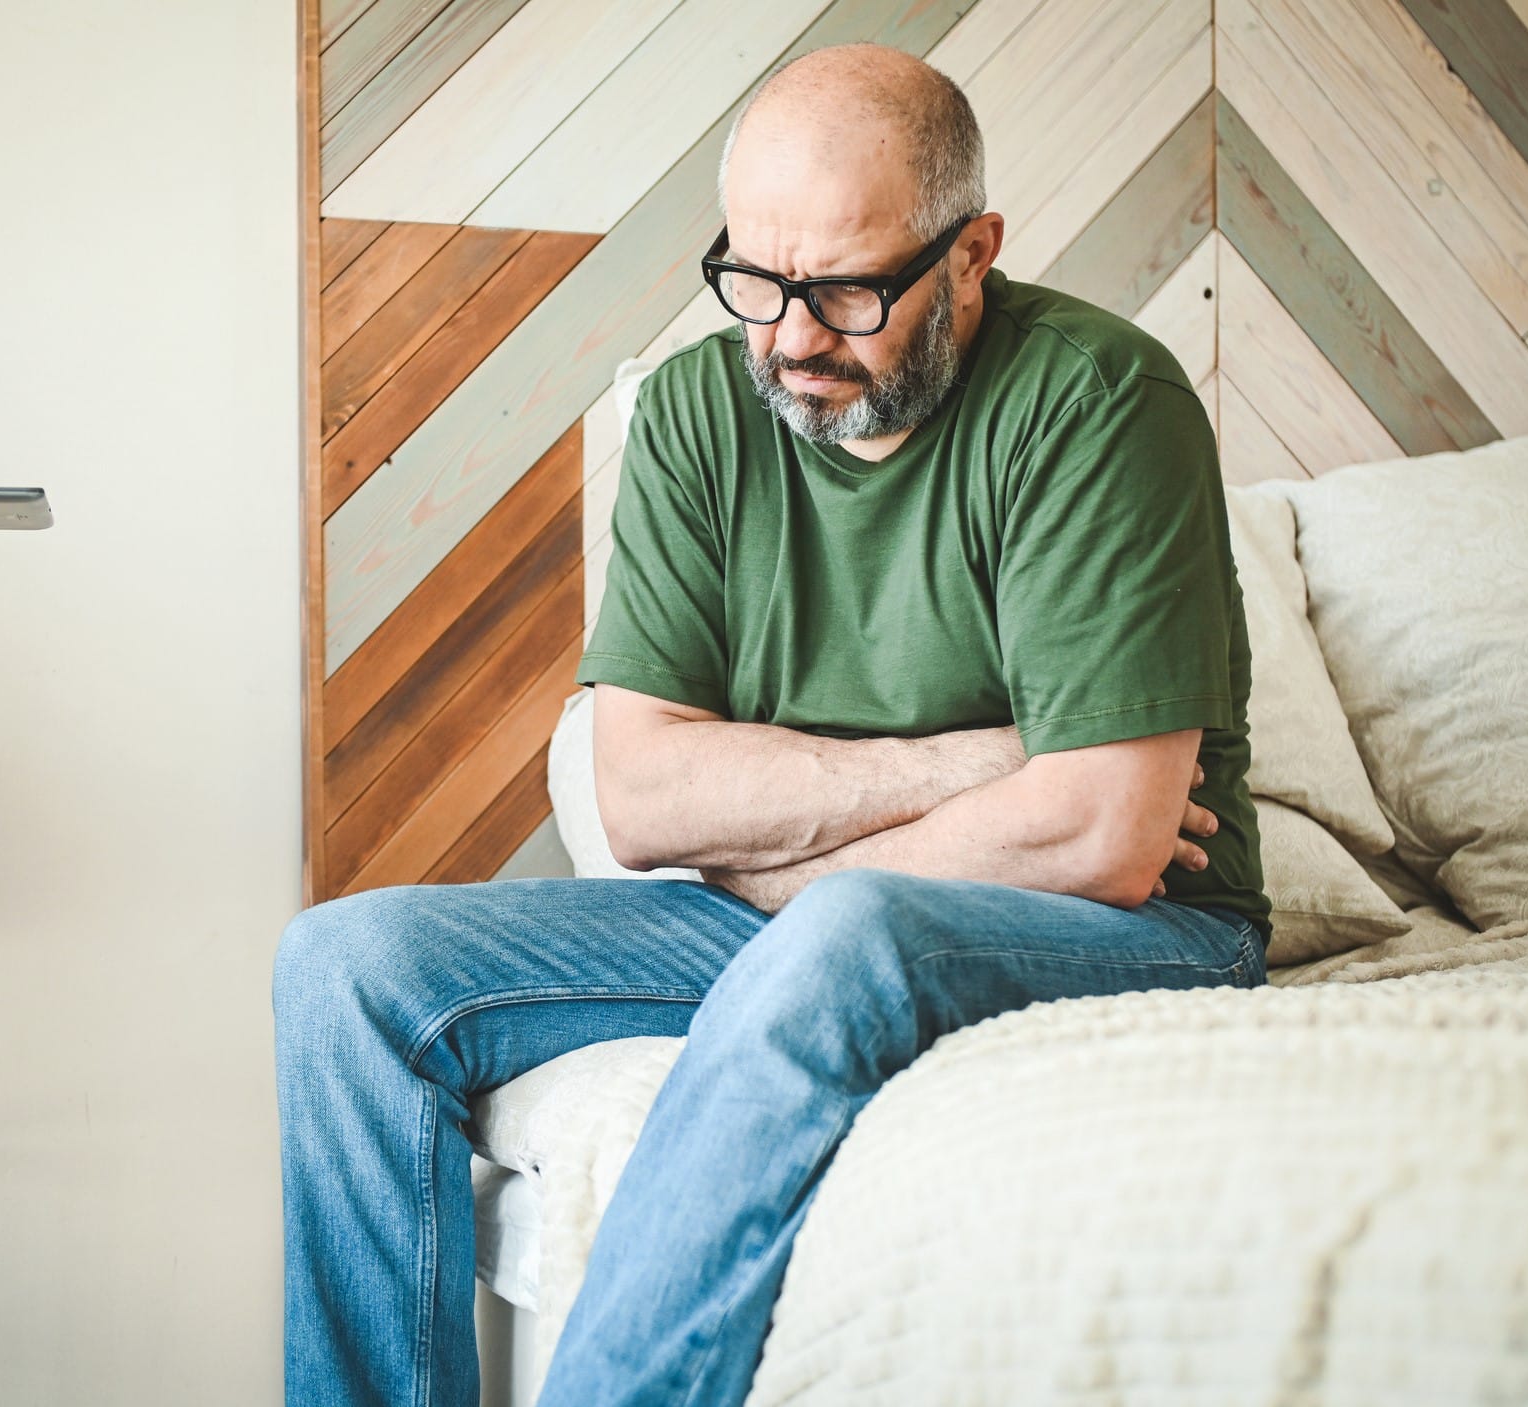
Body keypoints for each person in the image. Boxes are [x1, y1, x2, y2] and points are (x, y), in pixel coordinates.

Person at [274, 41, 1266, 1407]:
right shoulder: (694, 414)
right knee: (345, 967)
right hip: (814, 913)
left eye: (848, 290)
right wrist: (974, 765)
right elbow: (643, 801)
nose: (792, 336)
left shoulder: (1098, 400)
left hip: (1141, 928)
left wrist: (786, 866)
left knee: (846, 931)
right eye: (755, 279)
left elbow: (1104, 835)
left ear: (970, 253)